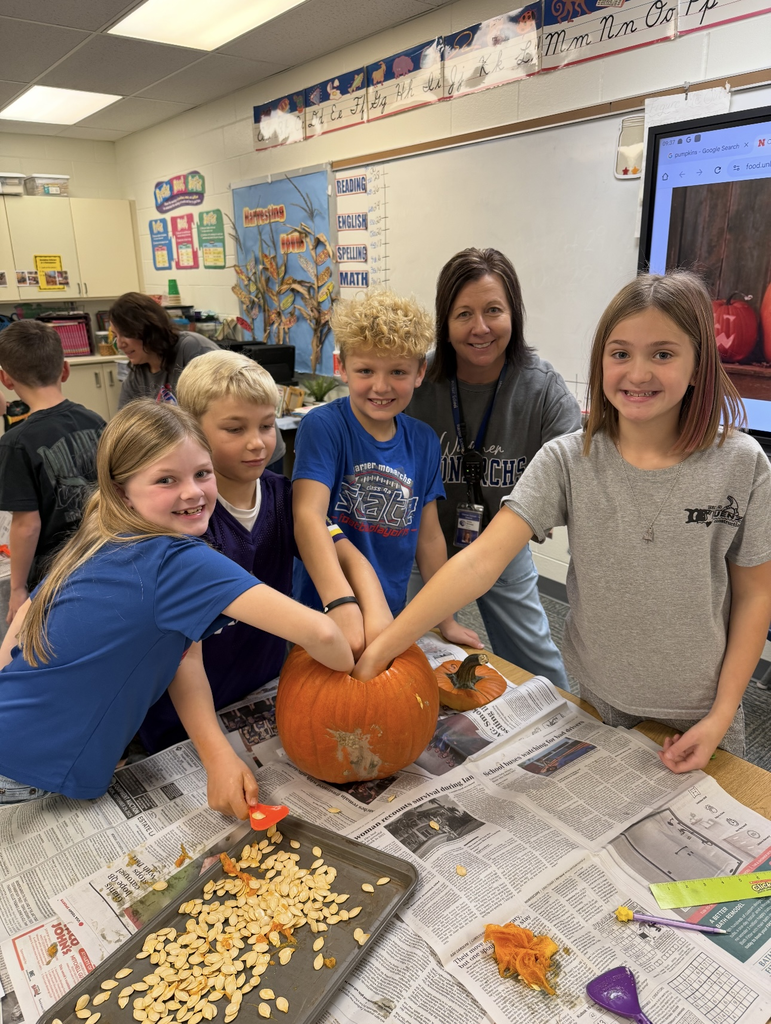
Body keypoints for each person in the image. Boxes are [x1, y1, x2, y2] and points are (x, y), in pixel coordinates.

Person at [355, 271, 771, 773]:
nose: (637, 373)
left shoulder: (742, 463)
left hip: (704, 711)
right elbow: (481, 561)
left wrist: (723, 713)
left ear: (699, 362)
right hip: (599, 700)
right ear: (600, 361)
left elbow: (754, 595)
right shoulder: (569, 458)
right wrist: (387, 644)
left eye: (662, 354)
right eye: (620, 354)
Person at [0, 401, 352, 815]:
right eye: (166, 479)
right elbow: (324, 634)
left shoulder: (100, 536)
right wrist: (352, 664)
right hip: (28, 770)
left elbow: (183, 654)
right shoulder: (178, 560)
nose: (192, 492)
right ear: (121, 492)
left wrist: (217, 754)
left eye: (202, 473)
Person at [139, 350, 391, 753]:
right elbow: (184, 655)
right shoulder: (184, 515)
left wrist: (373, 617)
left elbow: (348, 556)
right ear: (192, 431)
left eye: (267, 425)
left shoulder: (284, 497)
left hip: (264, 686)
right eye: (235, 429)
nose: (257, 443)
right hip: (181, 719)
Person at [407, 248, 580, 688]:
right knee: (396, 650)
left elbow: (571, 479)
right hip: (416, 545)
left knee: (542, 669)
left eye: (493, 310)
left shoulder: (542, 390)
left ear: (513, 315)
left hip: (499, 547)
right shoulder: (415, 379)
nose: (480, 328)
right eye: (463, 313)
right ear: (444, 322)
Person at [292, 291, 482, 658]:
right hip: (325, 612)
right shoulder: (323, 426)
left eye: (397, 371)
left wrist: (447, 619)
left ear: (419, 373)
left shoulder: (424, 441)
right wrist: (340, 602)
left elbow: (429, 539)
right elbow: (307, 517)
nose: (381, 387)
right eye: (365, 371)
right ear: (342, 368)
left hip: (388, 612)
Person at [0, 320, 106, 623]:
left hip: (56, 577)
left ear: (6, 380)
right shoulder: (96, 420)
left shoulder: (15, 444)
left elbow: (26, 526)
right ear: (65, 369)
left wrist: (18, 588)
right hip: (105, 554)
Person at [111, 292, 221, 408]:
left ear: (148, 329)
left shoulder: (193, 350)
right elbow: (124, 422)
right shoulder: (137, 375)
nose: (119, 344)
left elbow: (220, 408)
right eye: (115, 336)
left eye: (126, 334)